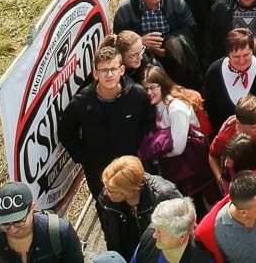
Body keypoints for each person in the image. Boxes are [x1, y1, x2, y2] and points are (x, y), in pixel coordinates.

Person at [59, 45, 156, 198]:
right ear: (96, 74)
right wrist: (85, 158)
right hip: (99, 175)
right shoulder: (81, 103)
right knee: (109, 216)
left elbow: (149, 125)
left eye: (113, 69)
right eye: (104, 70)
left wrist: (141, 154)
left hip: (133, 170)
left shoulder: (137, 95)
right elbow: (66, 133)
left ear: (122, 70)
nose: (109, 74)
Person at [140, 65, 220, 210]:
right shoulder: (158, 105)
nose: (149, 92)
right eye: (145, 89)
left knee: (204, 204)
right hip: (184, 169)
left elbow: (178, 147)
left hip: (193, 168)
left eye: (153, 87)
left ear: (162, 84)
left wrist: (159, 153)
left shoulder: (176, 108)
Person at [113, 0, 200, 89]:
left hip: (174, 57)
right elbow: (119, 42)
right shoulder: (124, 10)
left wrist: (166, 43)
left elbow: (190, 29)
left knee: (175, 46)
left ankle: (185, 86)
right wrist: (140, 42)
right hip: (142, 59)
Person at [97, 156, 182, 259]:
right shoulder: (106, 200)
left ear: (129, 191)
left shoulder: (165, 196)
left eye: (112, 191)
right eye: (106, 186)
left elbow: (182, 229)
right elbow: (110, 235)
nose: (105, 192)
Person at [203, 28, 256, 135]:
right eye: (236, 57)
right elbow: (209, 107)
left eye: (246, 55)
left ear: (253, 51)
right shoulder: (214, 71)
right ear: (227, 54)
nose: (241, 61)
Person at [0, 181, 83, 263]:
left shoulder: (61, 232)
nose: (13, 229)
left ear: (32, 208)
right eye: (5, 224)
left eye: (18, 221)